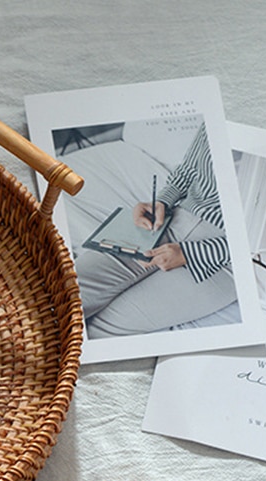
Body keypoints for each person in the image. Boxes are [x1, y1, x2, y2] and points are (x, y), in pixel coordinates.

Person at [75, 123, 237, 334]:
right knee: (66, 290)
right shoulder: (219, 114)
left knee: (98, 329)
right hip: (175, 218)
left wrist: (191, 253)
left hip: (228, 258)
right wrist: (161, 202)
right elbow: (188, 171)